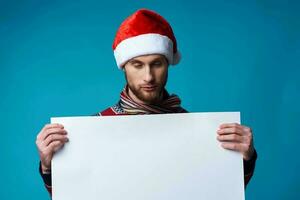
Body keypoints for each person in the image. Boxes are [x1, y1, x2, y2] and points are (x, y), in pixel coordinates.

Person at [36, 8, 257, 196]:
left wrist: (244, 158)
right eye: (137, 65)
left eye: (157, 64)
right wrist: (49, 166)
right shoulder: (93, 129)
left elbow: (217, 193)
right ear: (124, 67)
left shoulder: (199, 131)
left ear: (168, 64)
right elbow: (76, 194)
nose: (149, 77)